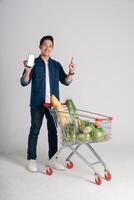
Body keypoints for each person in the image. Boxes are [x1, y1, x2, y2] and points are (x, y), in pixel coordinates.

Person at [20, 35, 76, 172]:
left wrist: (72, 72)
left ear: (52, 48)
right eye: (44, 45)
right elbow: (24, 82)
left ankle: (53, 159)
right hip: (37, 104)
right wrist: (27, 71)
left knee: (53, 132)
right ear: (40, 47)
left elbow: (66, 81)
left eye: (50, 46)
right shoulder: (33, 63)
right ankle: (31, 159)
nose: (47, 48)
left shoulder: (56, 65)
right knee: (34, 130)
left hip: (53, 106)